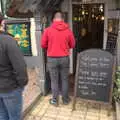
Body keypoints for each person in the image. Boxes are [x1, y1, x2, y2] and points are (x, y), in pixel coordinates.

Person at [41, 11, 75, 106]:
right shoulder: (68, 30)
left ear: (53, 20)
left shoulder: (48, 30)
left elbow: (43, 44)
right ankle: (65, 100)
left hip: (52, 58)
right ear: (62, 20)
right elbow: (72, 44)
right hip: (64, 58)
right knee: (64, 79)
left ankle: (55, 101)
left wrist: (51, 45)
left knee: (54, 80)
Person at [0, 13, 28, 120]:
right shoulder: (8, 40)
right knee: (14, 117)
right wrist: (21, 84)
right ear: (2, 22)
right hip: (10, 88)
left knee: (2, 116)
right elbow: (20, 67)